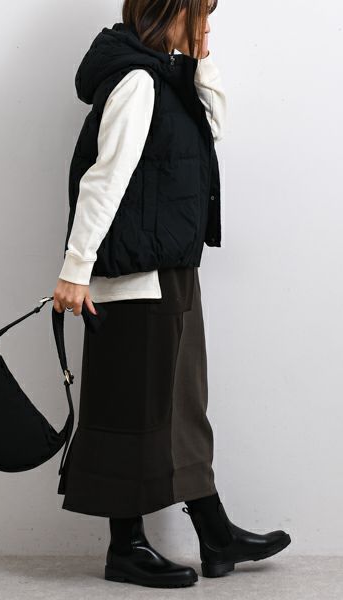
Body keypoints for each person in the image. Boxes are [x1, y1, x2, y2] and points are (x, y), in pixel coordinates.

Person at [52, 0, 291, 588]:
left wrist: (202, 60)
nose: (207, 24)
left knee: (183, 404)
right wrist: (76, 268)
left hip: (170, 267)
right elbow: (105, 177)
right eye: (199, 13)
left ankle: (215, 534)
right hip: (134, 275)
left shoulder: (168, 76)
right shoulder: (136, 81)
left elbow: (214, 127)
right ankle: (126, 548)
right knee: (133, 410)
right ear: (167, 12)